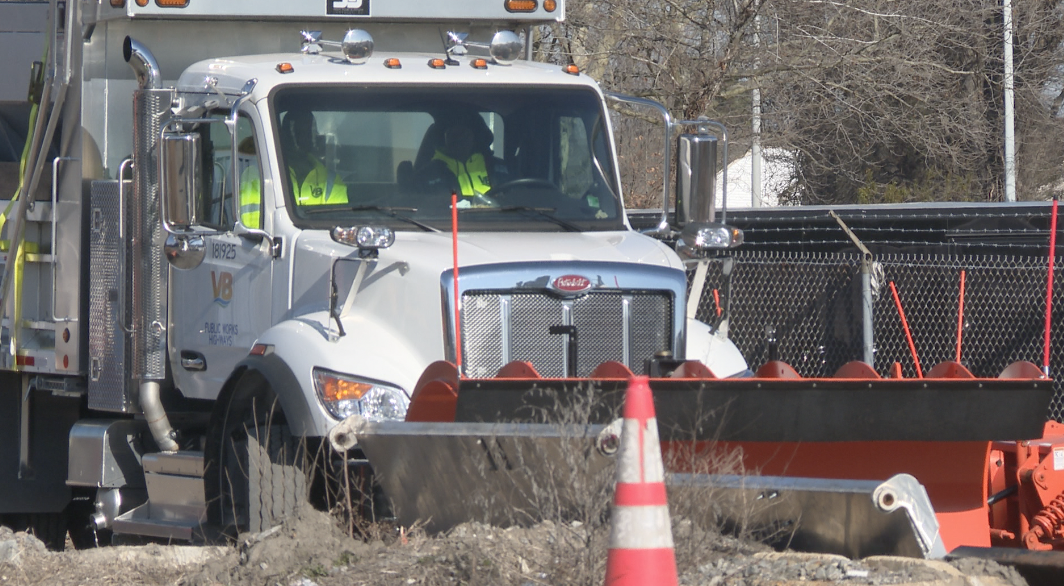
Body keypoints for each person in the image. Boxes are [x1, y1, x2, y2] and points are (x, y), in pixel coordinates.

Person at [279, 110, 348, 208]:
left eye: (308, 132)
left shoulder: (331, 181)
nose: (307, 138)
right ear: (282, 136)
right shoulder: (262, 176)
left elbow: (337, 220)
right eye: (298, 132)